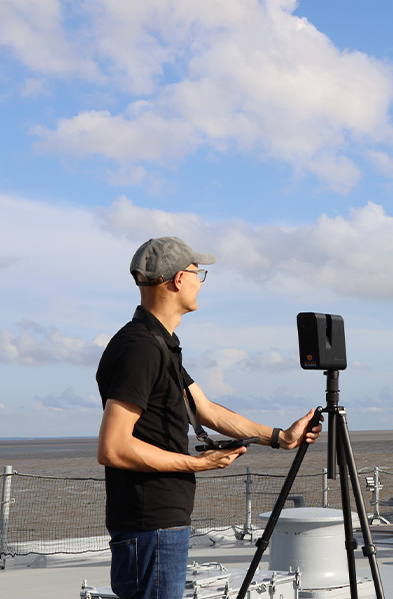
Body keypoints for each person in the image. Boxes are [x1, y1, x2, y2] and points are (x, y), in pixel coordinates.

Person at [96, 236, 321, 599]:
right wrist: (198, 464)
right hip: (148, 523)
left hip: (160, 523)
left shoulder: (160, 343)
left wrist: (281, 437)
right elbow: (114, 447)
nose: (201, 281)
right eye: (197, 272)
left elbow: (205, 409)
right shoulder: (139, 348)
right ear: (176, 280)